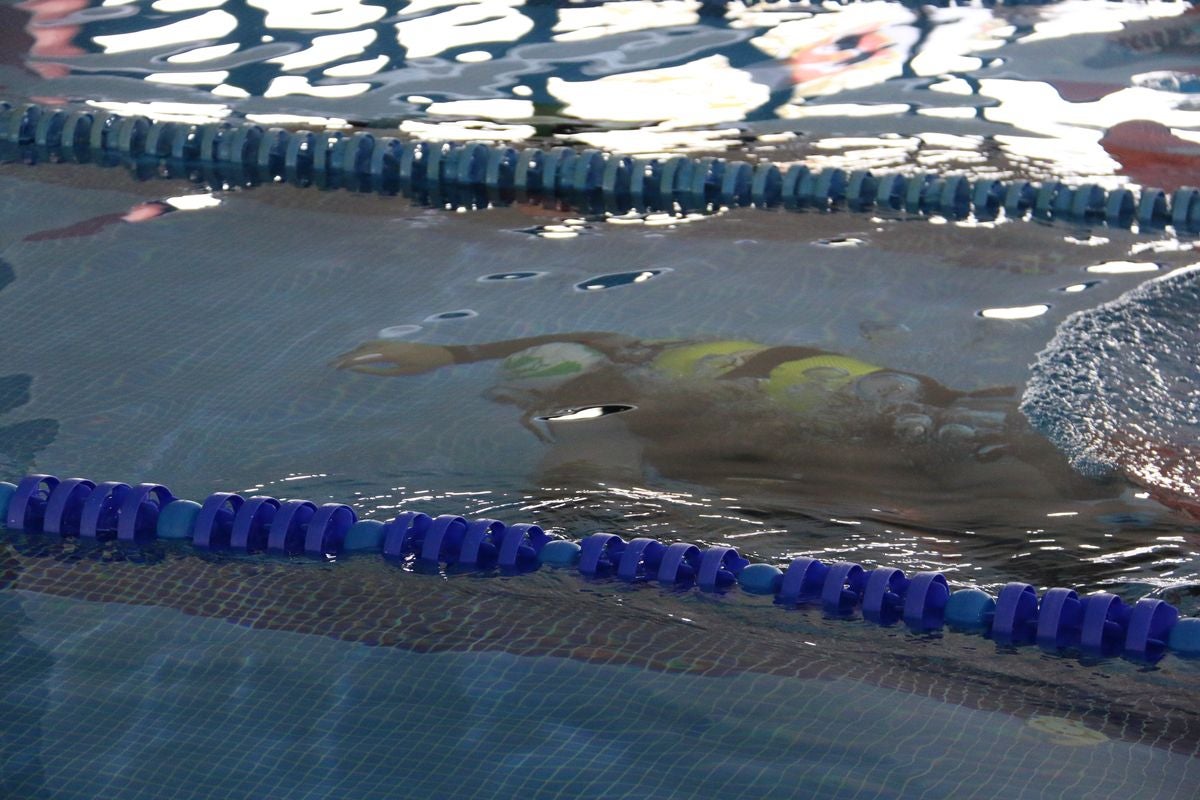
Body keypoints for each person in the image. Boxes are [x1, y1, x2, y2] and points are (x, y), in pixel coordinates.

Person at [334, 332, 1118, 525]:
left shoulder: (612, 401)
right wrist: (455, 351)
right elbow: (593, 332)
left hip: (880, 432)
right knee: (1062, 472)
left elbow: (583, 483)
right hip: (927, 399)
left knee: (1021, 519)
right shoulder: (666, 356)